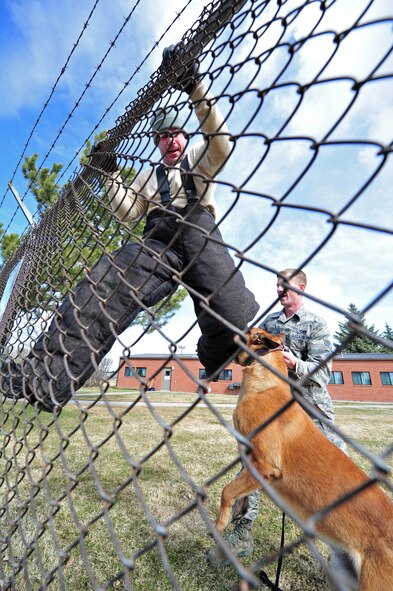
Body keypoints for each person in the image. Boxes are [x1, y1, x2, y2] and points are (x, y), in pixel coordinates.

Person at [0, 46, 259, 412]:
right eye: (163, 136)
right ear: (156, 142)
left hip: (199, 230)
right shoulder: (146, 177)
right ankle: (43, 376)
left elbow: (222, 143)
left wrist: (194, 87)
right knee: (101, 286)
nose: (170, 140)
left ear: (184, 136)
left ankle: (213, 355)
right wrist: (109, 174)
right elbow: (128, 213)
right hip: (156, 239)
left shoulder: (200, 158)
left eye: (176, 134)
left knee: (232, 309)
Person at [207, 268, 347, 567]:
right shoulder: (269, 324)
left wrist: (293, 361)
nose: (280, 291)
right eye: (277, 287)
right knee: (253, 462)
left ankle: (341, 552)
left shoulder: (316, 325)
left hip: (310, 409)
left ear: (302, 289)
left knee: (336, 475)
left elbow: (323, 373)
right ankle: (243, 533)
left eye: (286, 287)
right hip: (270, 410)